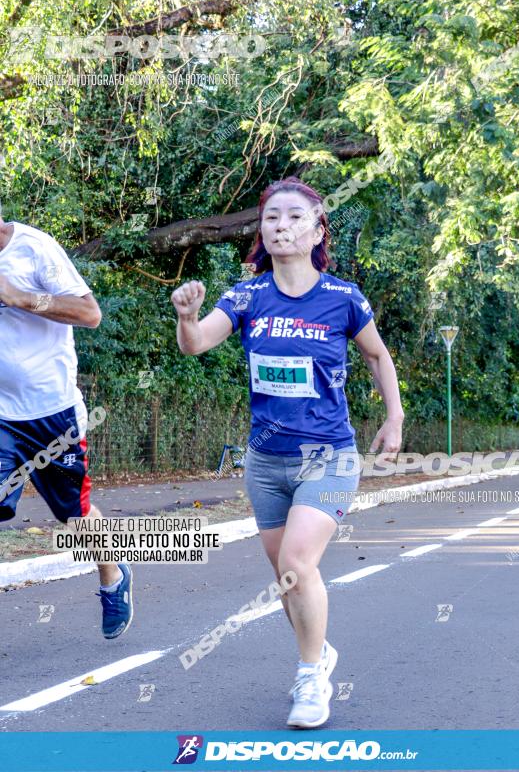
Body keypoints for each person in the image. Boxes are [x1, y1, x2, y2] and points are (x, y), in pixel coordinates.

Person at [171, 175, 404, 728]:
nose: (282, 225)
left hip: (327, 453)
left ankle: (310, 678)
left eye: (296, 216)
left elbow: (376, 356)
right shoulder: (247, 295)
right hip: (266, 461)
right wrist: (185, 316)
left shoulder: (342, 298)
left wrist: (394, 417)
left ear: (318, 228)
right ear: (262, 229)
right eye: (272, 216)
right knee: (286, 576)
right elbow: (198, 343)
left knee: (299, 563)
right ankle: (319, 652)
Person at [0, 216, 133, 638]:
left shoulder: (34, 248)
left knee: (74, 516)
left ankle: (113, 577)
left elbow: (89, 313)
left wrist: (21, 298)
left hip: (51, 412)